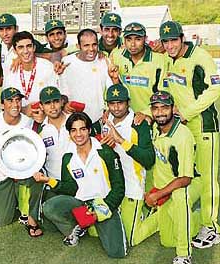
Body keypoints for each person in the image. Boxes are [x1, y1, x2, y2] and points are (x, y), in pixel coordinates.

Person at [159, 21, 220, 249]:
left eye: (173, 40)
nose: (170, 45)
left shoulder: (200, 56)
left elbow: (215, 88)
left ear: (182, 38)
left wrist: (186, 111)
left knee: (208, 177)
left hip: (204, 125)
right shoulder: (168, 58)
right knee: (190, 174)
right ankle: (198, 216)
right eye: (166, 41)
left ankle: (212, 227)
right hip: (183, 127)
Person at [35, 112, 126, 258]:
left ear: (89, 130)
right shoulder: (68, 157)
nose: (79, 134)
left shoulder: (106, 152)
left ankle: (92, 224)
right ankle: (78, 227)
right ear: (69, 134)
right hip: (80, 204)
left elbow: (119, 188)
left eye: (82, 129)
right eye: (74, 130)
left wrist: (100, 212)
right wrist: (48, 180)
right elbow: (70, 188)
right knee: (49, 207)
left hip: (102, 203)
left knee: (116, 252)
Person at [91, 83, 156, 246]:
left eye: (120, 102)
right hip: (111, 186)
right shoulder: (105, 120)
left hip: (132, 186)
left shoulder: (138, 123)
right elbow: (88, 132)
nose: (116, 107)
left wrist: (121, 141)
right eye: (112, 103)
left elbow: (149, 160)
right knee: (93, 231)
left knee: (131, 238)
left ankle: (161, 215)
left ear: (128, 102)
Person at [145, 91, 199, 264]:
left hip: (188, 184)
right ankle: (195, 219)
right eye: (156, 108)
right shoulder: (154, 128)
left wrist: (158, 194)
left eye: (165, 107)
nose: (160, 113)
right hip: (164, 187)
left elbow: (185, 178)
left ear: (173, 108)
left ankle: (184, 254)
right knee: (168, 241)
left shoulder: (182, 136)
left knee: (179, 196)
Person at [0, 88, 33, 226]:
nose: (15, 104)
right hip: (0, 176)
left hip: (22, 173)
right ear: (2, 105)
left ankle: (23, 206)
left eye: (18, 100)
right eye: (10, 100)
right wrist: (1, 161)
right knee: (4, 220)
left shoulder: (29, 122)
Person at [28, 86, 72, 235]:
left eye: (55, 101)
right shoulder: (39, 129)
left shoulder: (74, 122)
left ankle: (76, 223)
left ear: (62, 102)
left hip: (76, 181)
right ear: (41, 106)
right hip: (52, 183)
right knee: (49, 225)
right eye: (47, 103)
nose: (52, 107)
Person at [109, 22, 165, 117]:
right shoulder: (116, 56)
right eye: (129, 39)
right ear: (124, 40)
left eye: (138, 39)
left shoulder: (159, 60)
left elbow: (163, 94)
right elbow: (115, 87)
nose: (133, 44)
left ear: (145, 39)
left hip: (150, 116)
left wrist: (146, 113)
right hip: (124, 116)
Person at [60, 28, 112, 123]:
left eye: (94, 45)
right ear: (78, 46)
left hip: (99, 119)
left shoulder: (105, 61)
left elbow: (111, 89)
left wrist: (109, 110)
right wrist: (64, 105)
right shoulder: (66, 62)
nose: (91, 49)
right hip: (74, 122)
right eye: (86, 45)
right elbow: (63, 90)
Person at [3, 31, 57, 118]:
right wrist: (23, 110)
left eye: (29, 46)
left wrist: (43, 111)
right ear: (15, 50)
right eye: (20, 47)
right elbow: (6, 102)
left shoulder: (47, 67)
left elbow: (56, 98)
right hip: (19, 121)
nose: (25, 51)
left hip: (45, 119)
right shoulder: (10, 69)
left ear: (34, 47)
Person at [0, 13, 18, 78]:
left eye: (8, 29)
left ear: (16, 29)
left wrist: (23, 56)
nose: (5, 33)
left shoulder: (24, 44)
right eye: (1, 29)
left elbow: (48, 55)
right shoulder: (0, 47)